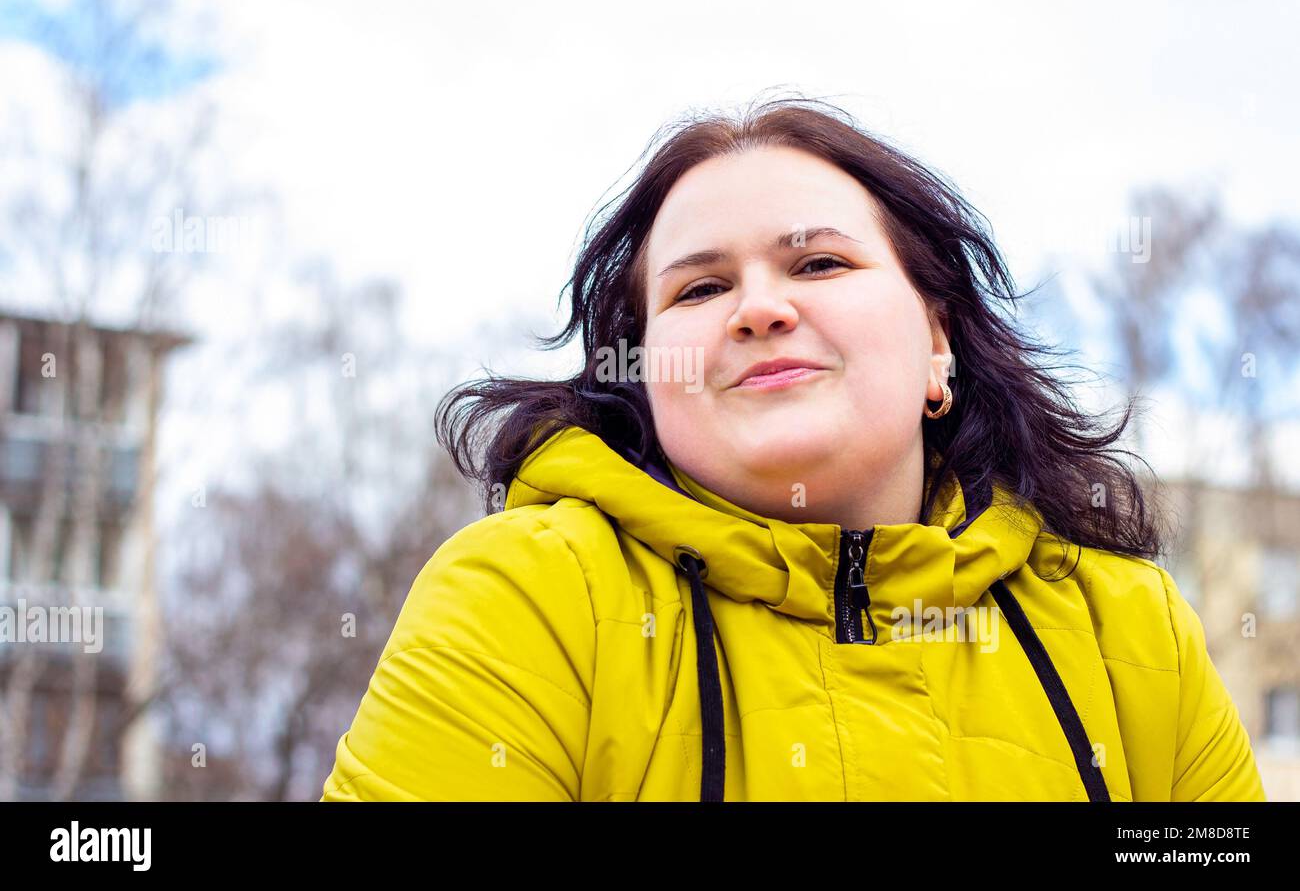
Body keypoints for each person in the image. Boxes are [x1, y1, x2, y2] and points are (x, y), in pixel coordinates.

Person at [320, 97, 1267, 801]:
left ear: (937, 339)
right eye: (697, 290)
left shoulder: (1131, 633)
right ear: (646, 372)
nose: (761, 307)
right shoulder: (527, 598)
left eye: (819, 263)